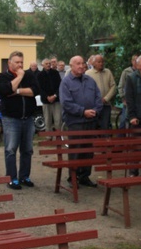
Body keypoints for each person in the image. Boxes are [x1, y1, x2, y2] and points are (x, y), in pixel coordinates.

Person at [0, 51, 40, 190]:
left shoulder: (29, 75)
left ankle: (24, 176)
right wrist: (19, 77)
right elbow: (7, 90)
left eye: (21, 62)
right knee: (10, 150)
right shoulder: (2, 76)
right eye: (17, 62)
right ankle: (11, 178)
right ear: (9, 63)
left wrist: (19, 91)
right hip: (11, 119)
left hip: (28, 118)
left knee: (27, 150)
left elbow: (36, 91)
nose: (20, 65)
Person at [60, 55, 103, 187]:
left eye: (82, 63)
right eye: (77, 64)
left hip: (90, 122)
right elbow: (66, 103)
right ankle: (72, 177)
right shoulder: (66, 83)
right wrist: (82, 111)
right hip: (75, 122)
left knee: (88, 151)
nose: (81, 66)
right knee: (76, 150)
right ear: (71, 66)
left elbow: (98, 98)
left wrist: (95, 111)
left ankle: (84, 176)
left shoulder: (90, 81)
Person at [85, 55, 117, 130]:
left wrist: (106, 98)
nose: (101, 63)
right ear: (94, 63)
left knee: (105, 126)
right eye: (99, 62)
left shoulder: (108, 72)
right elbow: (85, 89)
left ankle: (105, 140)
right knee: (93, 126)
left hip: (106, 105)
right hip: (93, 106)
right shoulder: (88, 74)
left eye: (102, 61)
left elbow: (113, 86)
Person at [37, 57, 62, 132]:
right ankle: (49, 136)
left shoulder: (55, 73)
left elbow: (60, 86)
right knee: (47, 120)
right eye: (46, 64)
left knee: (58, 119)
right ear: (42, 65)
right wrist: (46, 97)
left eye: (49, 63)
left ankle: (59, 136)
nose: (48, 65)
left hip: (56, 99)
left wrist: (55, 95)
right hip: (46, 100)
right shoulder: (39, 75)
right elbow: (39, 88)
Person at [117, 54, 138, 128]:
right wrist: (123, 98)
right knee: (123, 121)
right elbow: (120, 86)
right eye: (135, 60)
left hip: (138, 100)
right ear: (132, 61)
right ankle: (120, 138)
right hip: (128, 100)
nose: (136, 62)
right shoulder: (126, 72)